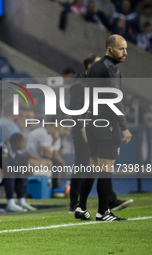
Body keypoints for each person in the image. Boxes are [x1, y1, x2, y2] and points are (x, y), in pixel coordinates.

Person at [75, 34, 132, 222]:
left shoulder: (92, 69)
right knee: (106, 168)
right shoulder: (110, 69)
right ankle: (103, 212)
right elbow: (116, 100)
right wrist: (123, 127)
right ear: (110, 49)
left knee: (93, 166)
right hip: (107, 125)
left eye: (126, 49)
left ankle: (81, 208)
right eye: (121, 49)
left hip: (92, 123)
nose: (125, 52)